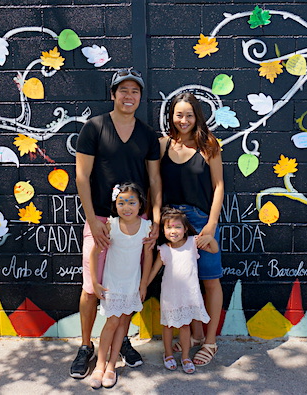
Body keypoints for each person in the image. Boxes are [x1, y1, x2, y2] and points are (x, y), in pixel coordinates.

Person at [71, 68, 161, 379]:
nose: (129, 96)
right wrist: (91, 221)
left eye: (134, 91)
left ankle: (120, 343)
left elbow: (154, 180)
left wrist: (156, 220)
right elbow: (82, 176)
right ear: (113, 94)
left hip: (137, 223)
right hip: (100, 219)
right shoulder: (94, 128)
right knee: (91, 288)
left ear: (140, 97)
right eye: (123, 90)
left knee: (128, 285)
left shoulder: (148, 135)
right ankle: (86, 346)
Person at [159, 91, 224, 366]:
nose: (183, 120)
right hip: (172, 224)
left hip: (200, 221)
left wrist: (210, 226)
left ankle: (209, 342)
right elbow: (155, 186)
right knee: (182, 282)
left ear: (196, 116)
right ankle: (194, 337)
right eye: (178, 114)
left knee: (210, 280)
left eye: (189, 114)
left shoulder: (208, 144)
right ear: (171, 116)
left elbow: (219, 186)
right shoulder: (163, 145)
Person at [87, 183, 153, 388]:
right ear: (115, 205)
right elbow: (94, 253)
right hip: (113, 284)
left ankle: (111, 366)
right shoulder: (111, 225)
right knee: (112, 324)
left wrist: (143, 285)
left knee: (122, 326)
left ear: (140, 204)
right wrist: (95, 282)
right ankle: (99, 365)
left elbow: (148, 258)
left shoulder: (146, 226)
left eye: (132, 202)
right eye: (121, 202)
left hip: (132, 284)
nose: (127, 207)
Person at [146, 207, 218, 374]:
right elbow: (154, 271)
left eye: (177, 227)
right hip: (170, 296)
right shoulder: (163, 249)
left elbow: (214, 249)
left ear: (185, 229)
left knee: (185, 326)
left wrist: (209, 238)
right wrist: (143, 286)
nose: (173, 231)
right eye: (169, 227)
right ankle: (169, 354)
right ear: (163, 230)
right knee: (168, 326)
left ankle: (185, 356)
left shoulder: (193, 243)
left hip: (189, 295)